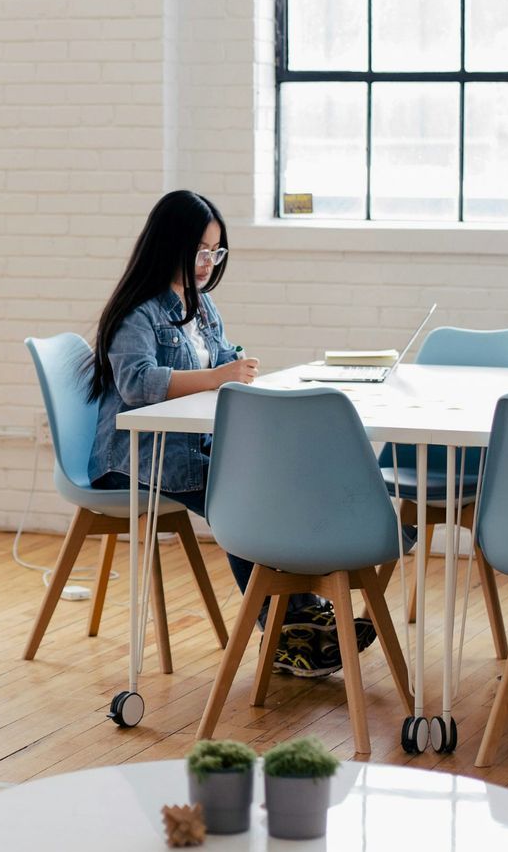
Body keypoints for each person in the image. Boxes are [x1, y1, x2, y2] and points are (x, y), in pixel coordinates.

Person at [85, 189, 372, 677]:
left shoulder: (203, 307)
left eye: (215, 252)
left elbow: (217, 365)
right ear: (168, 244)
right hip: (134, 461)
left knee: (272, 478)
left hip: (191, 449)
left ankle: (300, 618)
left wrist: (233, 369)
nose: (207, 263)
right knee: (244, 497)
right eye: (200, 250)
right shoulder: (139, 312)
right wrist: (219, 376)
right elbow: (137, 384)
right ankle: (286, 628)